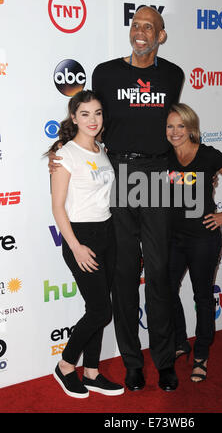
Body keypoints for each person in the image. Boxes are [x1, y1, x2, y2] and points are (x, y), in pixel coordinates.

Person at [49, 6, 184, 392]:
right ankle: (132, 364)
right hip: (119, 175)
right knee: (124, 277)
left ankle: (164, 360)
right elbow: (88, 128)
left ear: (161, 35)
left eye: (150, 27)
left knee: (157, 274)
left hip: (157, 174)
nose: (141, 31)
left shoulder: (173, 74)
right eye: (136, 25)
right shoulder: (105, 73)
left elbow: (169, 128)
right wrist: (60, 155)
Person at [166, 103, 222, 382]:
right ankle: (180, 342)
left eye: (181, 126)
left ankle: (201, 354)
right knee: (166, 292)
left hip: (203, 238)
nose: (175, 131)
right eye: (170, 126)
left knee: (202, 297)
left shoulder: (207, 155)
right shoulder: (162, 155)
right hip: (172, 237)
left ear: (191, 128)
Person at [48, 90, 124, 398]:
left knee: (99, 306)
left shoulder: (101, 149)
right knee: (99, 310)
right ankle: (66, 365)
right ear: (74, 118)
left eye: (97, 113)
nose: (92, 120)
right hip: (82, 237)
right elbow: (57, 207)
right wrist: (76, 246)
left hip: (108, 233)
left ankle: (91, 371)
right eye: (85, 114)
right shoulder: (65, 154)